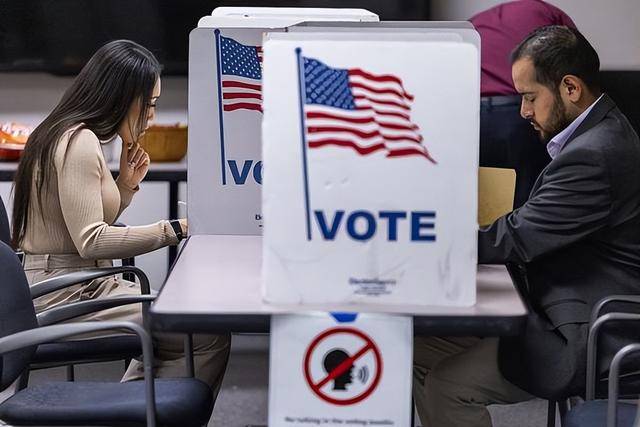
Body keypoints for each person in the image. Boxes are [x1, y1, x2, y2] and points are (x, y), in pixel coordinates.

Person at [413, 26, 640, 426]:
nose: (523, 111)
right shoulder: (600, 133)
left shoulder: (595, 154)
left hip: (585, 337)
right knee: (411, 350)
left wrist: (418, 239)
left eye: (530, 97)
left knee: (447, 386)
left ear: (570, 87)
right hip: (559, 310)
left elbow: (517, 237)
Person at [11, 40, 230, 396]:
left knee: (190, 323)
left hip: (79, 284)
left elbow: (78, 228)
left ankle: (131, 410)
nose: (152, 117)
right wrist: (176, 229)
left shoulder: (69, 133)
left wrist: (124, 187)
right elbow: (91, 241)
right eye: (150, 104)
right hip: (65, 295)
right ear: (122, 96)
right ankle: (136, 413)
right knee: (204, 332)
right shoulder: (78, 142)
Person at [471, 0, 576, 208]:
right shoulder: (547, 12)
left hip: (471, 114)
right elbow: (576, 61)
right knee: (528, 199)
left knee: (479, 201)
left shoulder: (475, 22)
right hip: (518, 112)